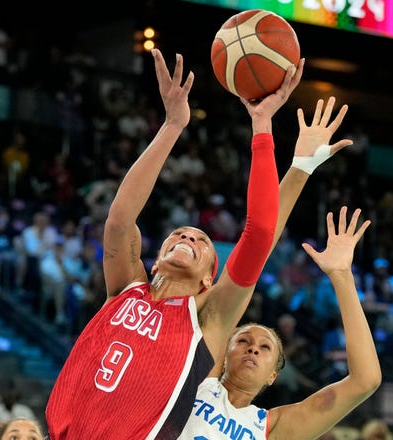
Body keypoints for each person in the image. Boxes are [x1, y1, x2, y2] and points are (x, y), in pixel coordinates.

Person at [45, 48, 302, 439]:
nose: (187, 236)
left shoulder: (209, 319)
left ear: (208, 281)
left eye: (200, 240)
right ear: (154, 260)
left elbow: (261, 232)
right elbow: (119, 220)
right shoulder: (126, 289)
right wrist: (172, 125)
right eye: (178, 235)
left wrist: (262, 126)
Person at [179, 206, 381, 439]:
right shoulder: (195, 383)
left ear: (272, 376)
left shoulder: (271, 429)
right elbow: (228, 299)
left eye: (265, 347)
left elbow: (366, 380)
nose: (253, 348)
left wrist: (342, 276)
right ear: (222, 355)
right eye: (243, 341)